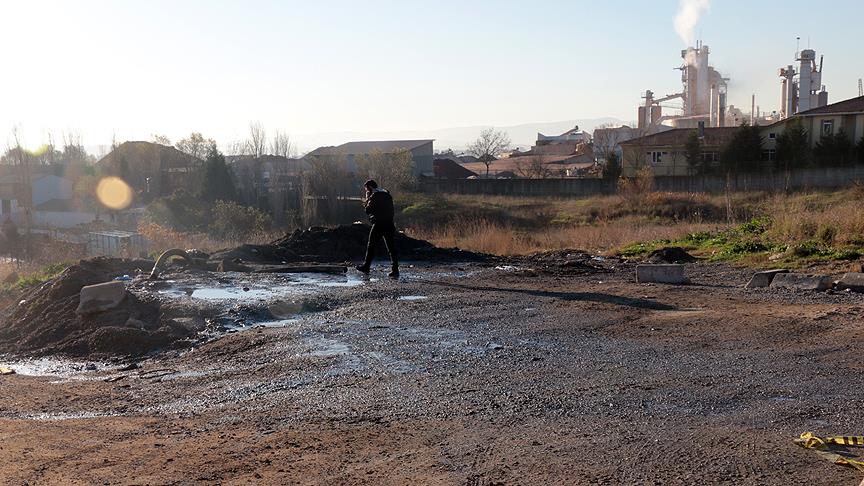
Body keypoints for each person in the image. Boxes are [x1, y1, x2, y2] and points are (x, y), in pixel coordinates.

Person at [356, 179, 399, 278]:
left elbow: (368, 210)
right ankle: (395, 270)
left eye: (366, 189)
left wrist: (367, 199)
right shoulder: (386, 194)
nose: (366, 191)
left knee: (371, 245)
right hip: (389, 223)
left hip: (379, 224)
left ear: (370, 188)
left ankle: (366, 266)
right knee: (391, 248)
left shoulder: (374, 196)